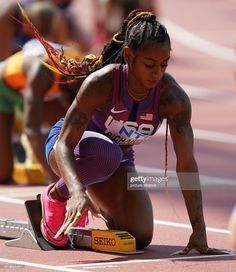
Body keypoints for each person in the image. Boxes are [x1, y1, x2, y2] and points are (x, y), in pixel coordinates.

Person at [33, 9, 229, 252]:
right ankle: (56, 195)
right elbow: (64, 144)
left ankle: (93, 203)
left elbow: (186, 164)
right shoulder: (102, 83)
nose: (157, 73)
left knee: (140, 235)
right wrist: (74, 190)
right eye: (149, 64)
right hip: (68, 151)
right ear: (129, 55)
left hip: (117, 159)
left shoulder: (173, 99)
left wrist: (199, 231)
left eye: (164, 64)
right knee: (107, 153)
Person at [0, 38, 83, 184]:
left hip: (30, 90)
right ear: (64, 92)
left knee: (77, 126)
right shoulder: (41, 72)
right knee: (3, 174)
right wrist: (57, 180)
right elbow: (31, 129)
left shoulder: (85, 69)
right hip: (4, 88)